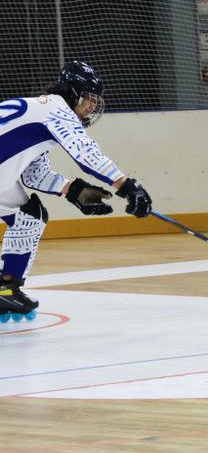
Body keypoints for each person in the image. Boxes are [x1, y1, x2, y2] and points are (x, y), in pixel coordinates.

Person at [0, 61, 152, 322]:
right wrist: (126, 186)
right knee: (30, 217)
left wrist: (73, 190)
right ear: (74, 94)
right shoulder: (58, 110)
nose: (92, 106)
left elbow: (34, 174)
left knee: (30, 216)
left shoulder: (41, 111)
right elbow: (85, 152)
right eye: (90, 98)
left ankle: (6, 289)